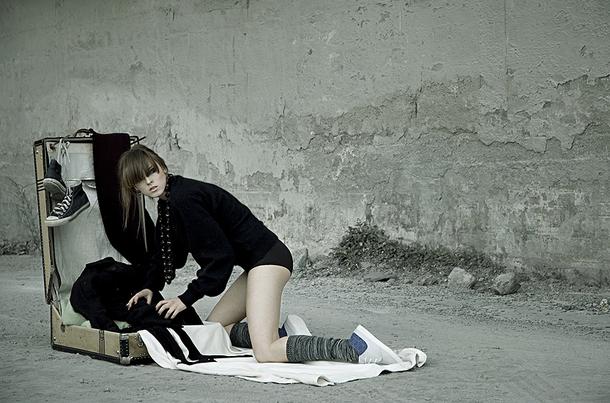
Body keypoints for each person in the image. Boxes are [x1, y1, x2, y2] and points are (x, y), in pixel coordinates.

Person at [117, 144, 403, 365]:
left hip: (269, 260)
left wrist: (185, 298)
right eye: (141, 180)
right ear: (134, 188)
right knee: (216, 330)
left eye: (151, 171)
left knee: (265, 352)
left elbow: (220, 257)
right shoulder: (169, 203)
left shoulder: (184, 198)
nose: (150, 181)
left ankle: (354, 349)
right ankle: (284, 336)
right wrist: (150, 286)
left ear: (161, 166)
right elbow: (165, 252)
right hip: (256, 265)